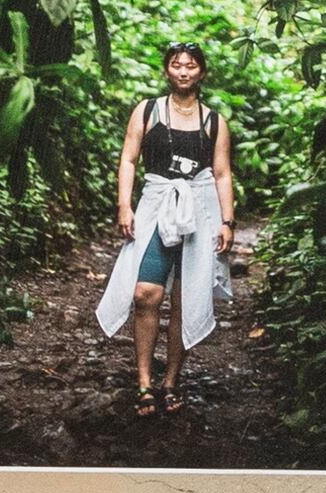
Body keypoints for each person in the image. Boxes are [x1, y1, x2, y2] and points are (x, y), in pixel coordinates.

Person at [92, 45, 241, 415]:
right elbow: (128, 158)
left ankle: (171, 382)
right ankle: (144, 381)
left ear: (202, 73)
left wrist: (227, 221)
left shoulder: (214, 122)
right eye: (177, 65)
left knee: (185, 302)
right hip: (157, 205)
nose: (184, 72)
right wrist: (124, 205)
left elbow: (222, 174)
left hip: (200, 210)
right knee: (145, 293)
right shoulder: (148, 111)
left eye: (191, 66)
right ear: (167, 71)